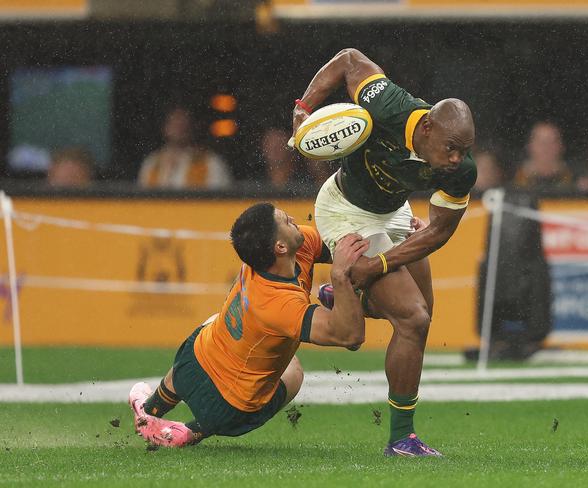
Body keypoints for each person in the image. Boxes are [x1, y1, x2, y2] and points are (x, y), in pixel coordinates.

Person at [292, 48, 476, 457]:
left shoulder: (462, 171)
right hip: (345, 210)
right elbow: (347, 59)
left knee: (421, 317)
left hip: (394, 213)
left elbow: (440, 231)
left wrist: (379, 264)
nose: (456, 160)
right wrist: (303, 110)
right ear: (426, 128)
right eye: (451, 149)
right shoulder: (389, 103)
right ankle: (401, 439)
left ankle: (347, 295)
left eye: (464, 150)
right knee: (413, 318)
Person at [128, 202, 368, 447]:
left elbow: (341, 252)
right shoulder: (278, 304)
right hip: (230, 410)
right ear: (280, 247)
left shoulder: (278, 251)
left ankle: (149, 410)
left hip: (192, 365)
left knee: (213, 322)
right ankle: (191, 432)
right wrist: (339, 278)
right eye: (286, 221)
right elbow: (351, 336)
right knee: (293, 371)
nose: (294, 220)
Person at [138, 107, 233, 189]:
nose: (179, 127)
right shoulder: (152, 163)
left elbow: (220, 201)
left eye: (183, 122)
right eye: (174, 122)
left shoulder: (211, 163)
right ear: (165, 127)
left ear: (191, 126)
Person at [513, 121, 572, 189]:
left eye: (552, 141)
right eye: (540, 141)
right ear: (529, 145)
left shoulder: (575, 178)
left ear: (562, 146)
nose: (546, 147)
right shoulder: (512, 177)